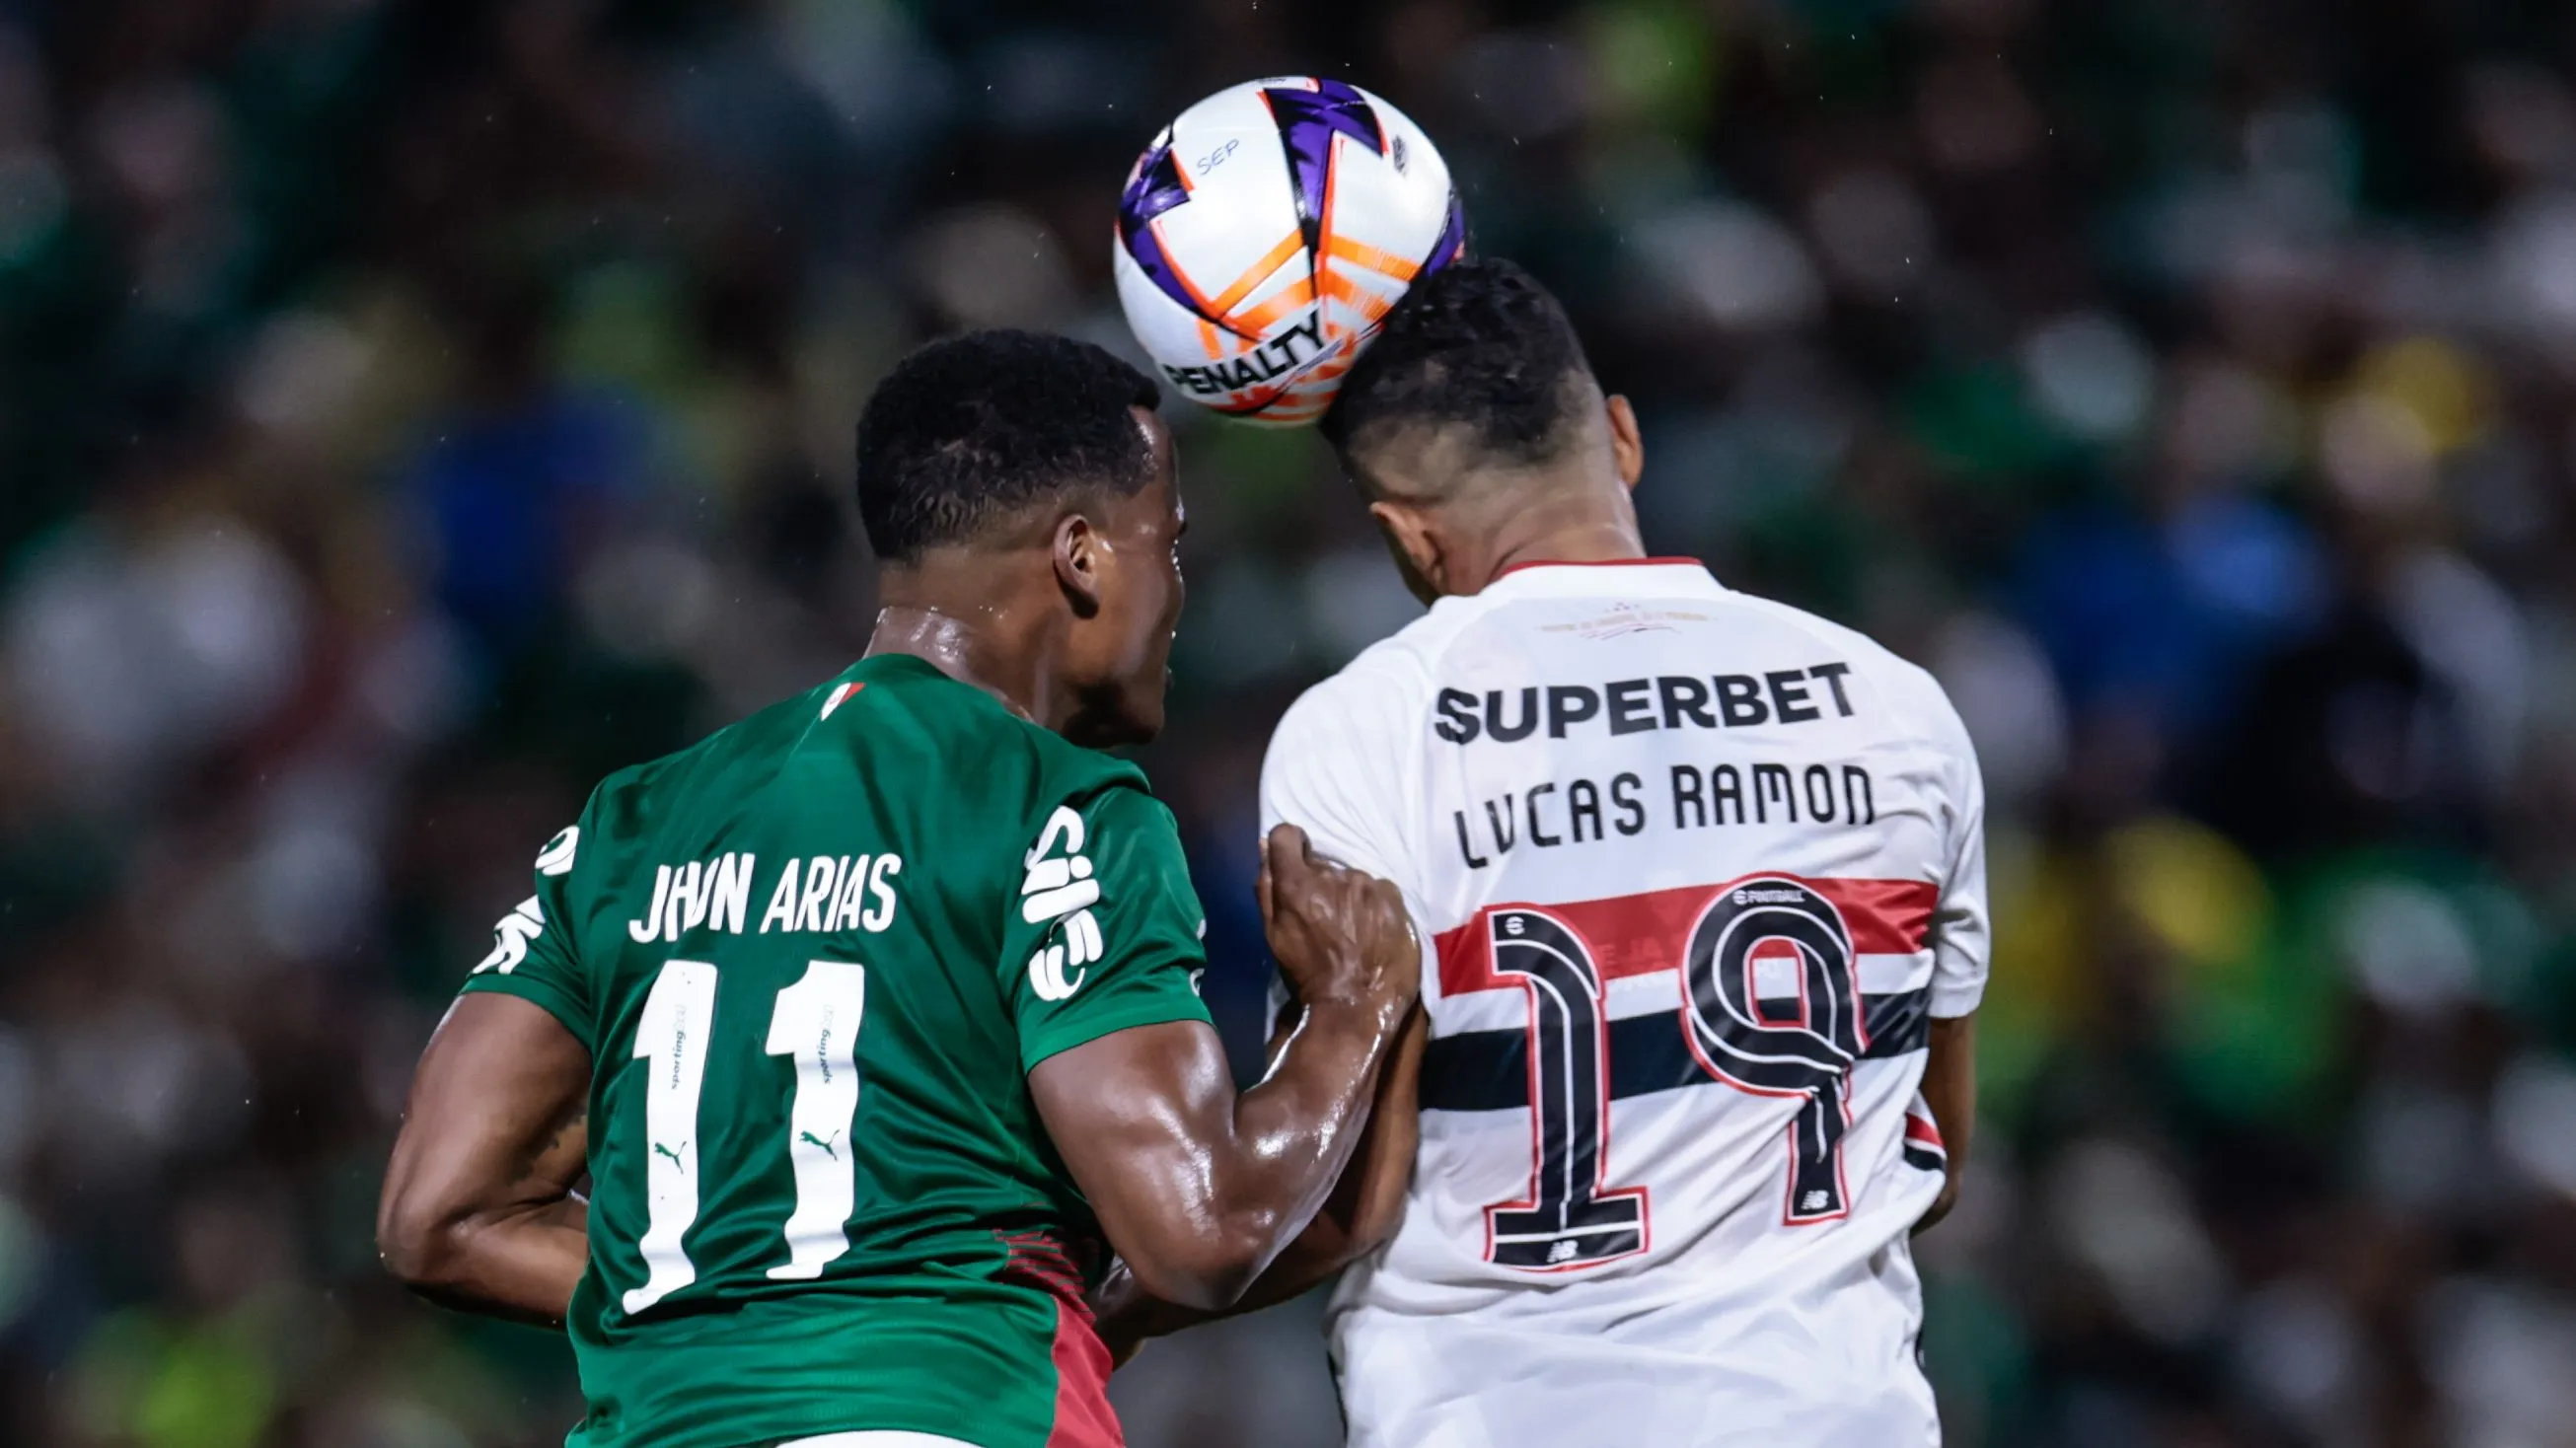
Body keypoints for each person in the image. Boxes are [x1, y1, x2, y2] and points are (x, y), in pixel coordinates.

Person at [375, 328, 1420, 1448]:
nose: (1174, 591)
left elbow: (438, 1217)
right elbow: (1204, 1226)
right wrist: (1351, 1007)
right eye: (1165, 543)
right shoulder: (1055, 808)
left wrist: (734, 1288)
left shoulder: (632, 819)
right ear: (1081, 555)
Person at [1108, 259, 1989, 1446]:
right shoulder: (1897, 706)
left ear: (1408, 540)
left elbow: (1342, 1198)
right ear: (1621, 436)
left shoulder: (1369, 730)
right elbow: (1930, 1139)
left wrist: (1113, 1301)